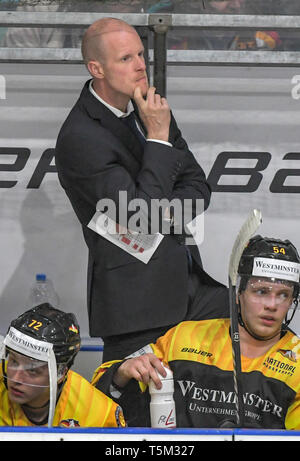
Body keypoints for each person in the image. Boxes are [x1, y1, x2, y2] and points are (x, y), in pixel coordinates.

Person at [55, 17, 229, 362]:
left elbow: (198, 185)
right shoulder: (80, 137)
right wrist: (158, 139)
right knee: (139, 411)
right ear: (97, 68)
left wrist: (161, 209)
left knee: (255, 324)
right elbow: (142, 217)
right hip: (135, 305)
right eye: (125, 59)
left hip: (189, 285)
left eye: (140, 54)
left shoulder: (149, 105)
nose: (139, 66)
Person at [92, 235, 300, 429]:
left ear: (292, 300)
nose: (272, 305)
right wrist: (121, 373)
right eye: (261, 291)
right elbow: (98, 391)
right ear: (239, 294)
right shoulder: (183, 336)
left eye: (283, 295)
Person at [0, 303, 126, 428]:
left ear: (60, 373)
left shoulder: (99, 413)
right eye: (14, 362)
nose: (16, 379)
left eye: (32, 370)